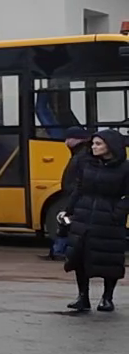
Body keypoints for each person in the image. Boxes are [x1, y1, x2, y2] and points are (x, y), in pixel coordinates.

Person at [61, 129, 129, 314]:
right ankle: (82, 297)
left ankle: (107, 298)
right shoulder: (87, 164)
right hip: (83, 216)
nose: (93, 147)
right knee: (79, 257)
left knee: (109, 259)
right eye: (93, 143)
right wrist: (68, 210)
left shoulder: (125, 168)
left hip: (109, 220)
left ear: (111, 146)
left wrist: (118, 213)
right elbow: (79, 188)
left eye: (98, 144)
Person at [45, 127, 92, 261]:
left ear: (76, 139)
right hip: (73, 195)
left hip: (75, 196)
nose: (65, 141)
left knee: (67, 223)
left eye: (68, 138)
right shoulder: (81, 153)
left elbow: (79, 179)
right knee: (66, 223)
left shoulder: (82, 155)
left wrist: (73, 196)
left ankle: (60, 251)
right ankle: (59, 250)